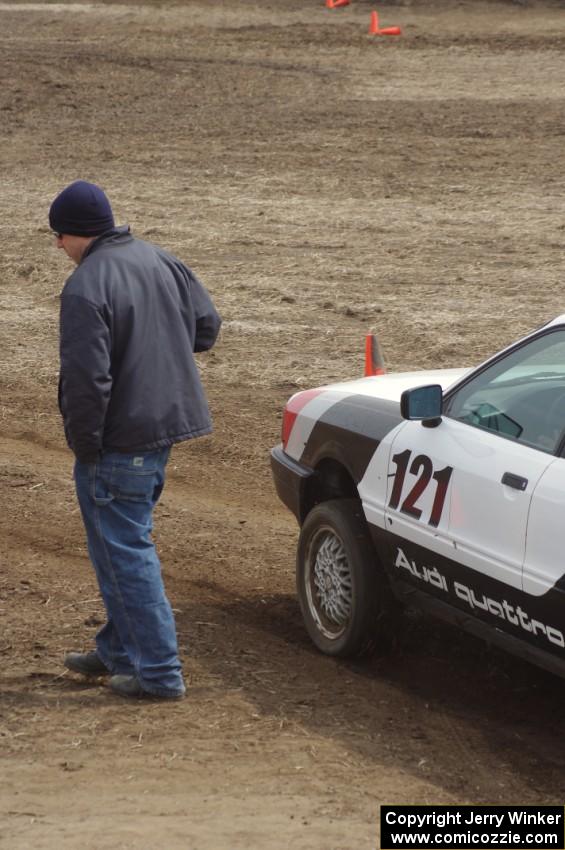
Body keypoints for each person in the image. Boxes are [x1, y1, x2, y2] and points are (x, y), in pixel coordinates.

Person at [49, 180, 221, 700]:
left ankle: (159, 674)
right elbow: (206, 329)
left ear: (77, 234)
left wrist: (86, 447)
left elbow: (87, 382)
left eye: (58, 236)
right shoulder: (161, 259)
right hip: (163, 428)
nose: (57, 247)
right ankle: (119, 652)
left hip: (119, 442)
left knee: (125, 555)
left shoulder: (85, 286)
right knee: (120, 546)